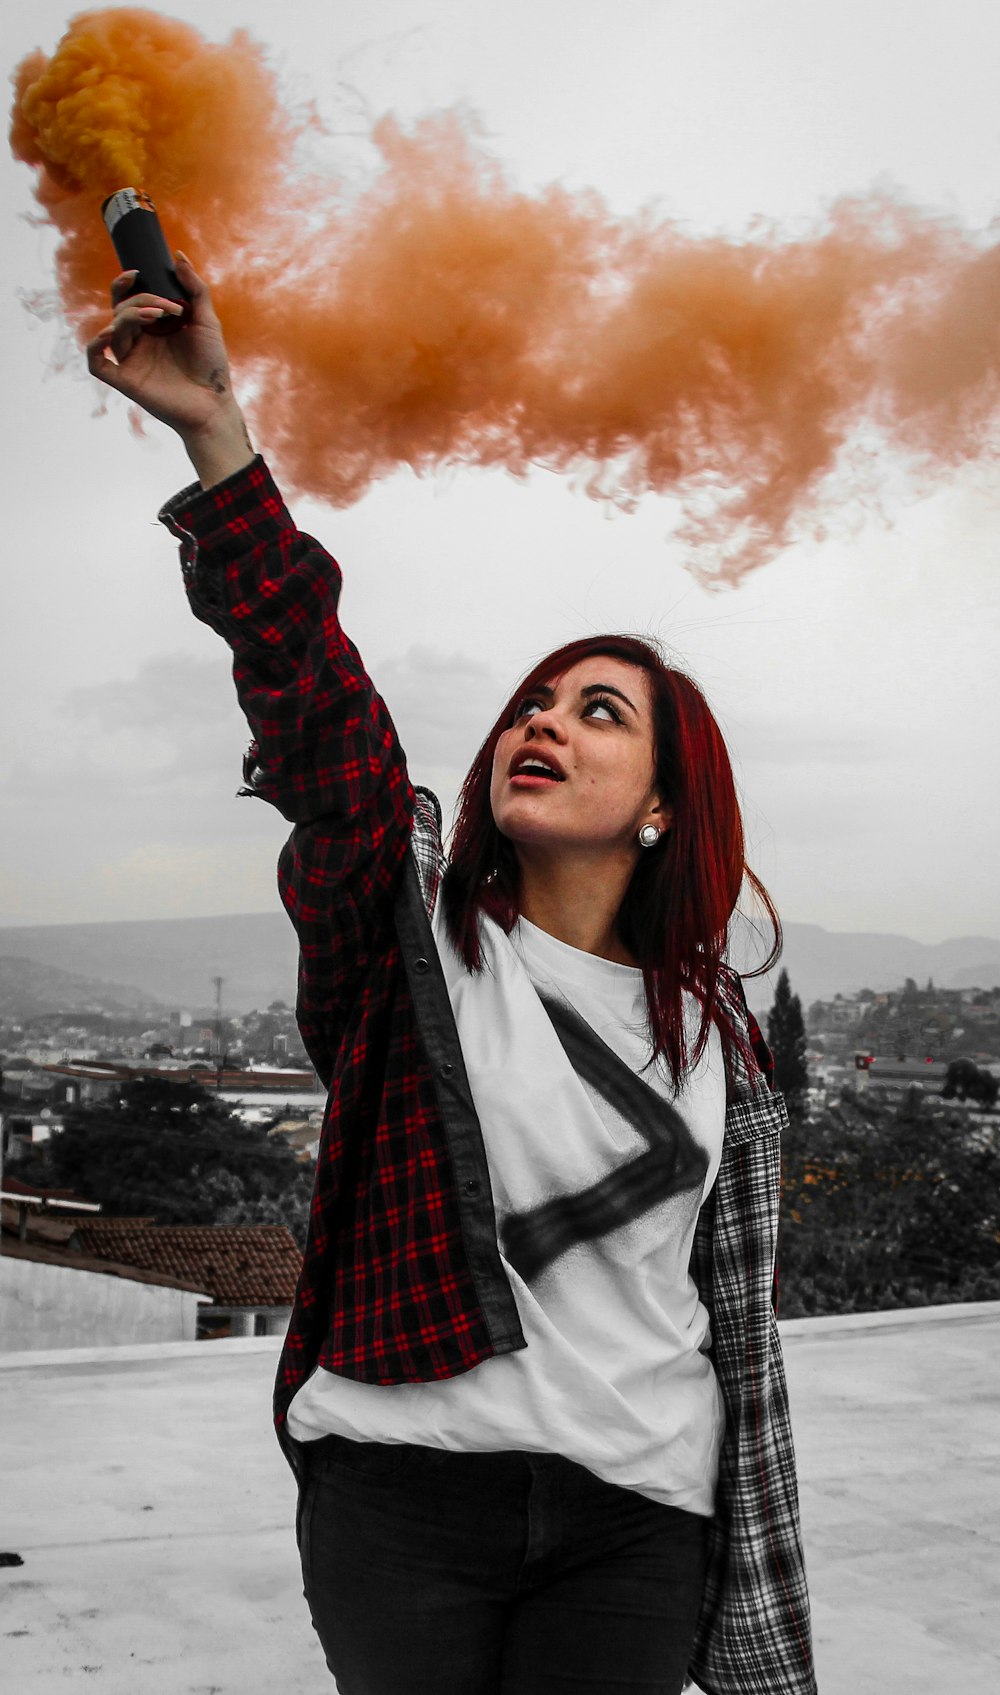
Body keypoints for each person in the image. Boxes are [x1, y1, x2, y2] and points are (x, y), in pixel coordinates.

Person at [88, 261, 817, 1695]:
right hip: (403, 1494)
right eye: (532, 705)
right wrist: (218, 435)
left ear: (664, 802)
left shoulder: (718, 1045)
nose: (541, 724)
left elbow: (735, 1322)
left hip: (638, 1514)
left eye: (598, 712)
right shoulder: (409, 936)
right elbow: (312, 696)